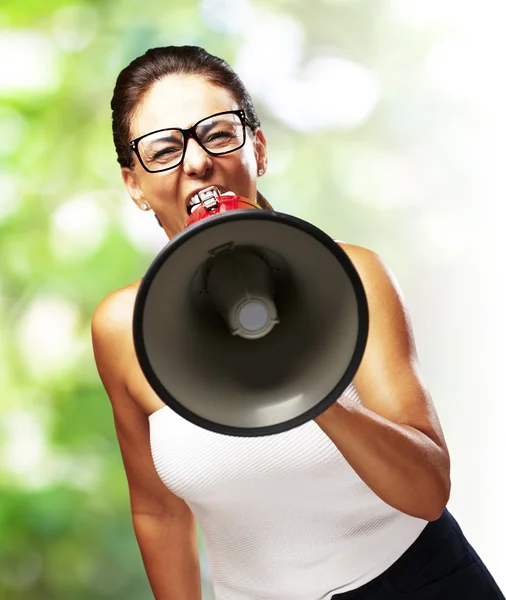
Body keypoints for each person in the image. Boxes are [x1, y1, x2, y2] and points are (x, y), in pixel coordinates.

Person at [91, 45, 504, 600]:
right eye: (163, 149)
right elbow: (160, 511)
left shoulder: (354, 275)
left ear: (256, 149)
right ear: (134, 185)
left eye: (217, 134)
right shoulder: (124, 328)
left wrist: (306, 382)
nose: (195, 162)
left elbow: (428, 493)